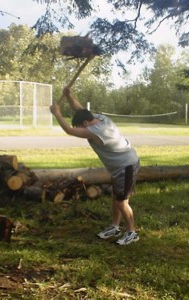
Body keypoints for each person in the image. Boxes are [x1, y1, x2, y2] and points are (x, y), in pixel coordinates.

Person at [50, 86, 140, 245]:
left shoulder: (95, 131)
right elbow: (80, 110)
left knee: (121, 201)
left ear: (85, 124)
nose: (79, 130)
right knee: (116, 197)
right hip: (121, 166)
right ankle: (115, 226)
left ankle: (132, 232)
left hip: (127, 166)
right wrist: (69, 96)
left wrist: (57, 113)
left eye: (80, 127)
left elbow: (69, 131)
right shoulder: (99, 118)